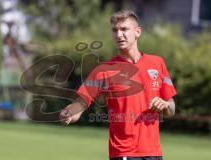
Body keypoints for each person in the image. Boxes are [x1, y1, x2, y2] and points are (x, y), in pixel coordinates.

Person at [59, 10, 177, 160]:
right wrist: (69, 113)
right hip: (124, 153)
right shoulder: (104, 70)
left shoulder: (157, 63)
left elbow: (171, 109)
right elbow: (81, 103)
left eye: (124, 29)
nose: (119, 34)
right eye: (115, 30)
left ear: (137, 32)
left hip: (154, 154)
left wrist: (165, 105)